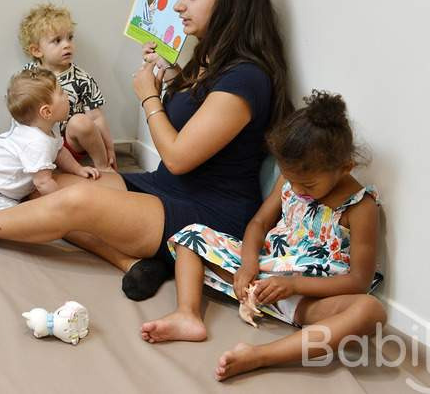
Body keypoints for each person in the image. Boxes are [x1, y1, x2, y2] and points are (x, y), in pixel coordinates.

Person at [0, 0, 291, 302]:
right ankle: (134, 261)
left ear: (230, 2)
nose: (178, 6)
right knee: (45, 186)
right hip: (165, 188)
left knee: (75, 201)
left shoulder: (246, 78)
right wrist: (169, 76)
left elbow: (178, 158)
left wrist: (149, 97)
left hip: (209, 215)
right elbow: (194, 114)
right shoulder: (209, 62)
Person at [143, 91, 384, 381]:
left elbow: (358, 281)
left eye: (307, 185)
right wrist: (248, 265)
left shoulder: (360, 207)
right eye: (290, 180)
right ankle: (187, 314)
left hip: (308, 296)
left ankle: (261, 355)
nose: (297, 190)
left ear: (344, 167)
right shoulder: (292, 179)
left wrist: (293, 285)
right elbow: (259, 222)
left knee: (371, 311)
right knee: (191, 235)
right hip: (263, 273)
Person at [0, 67, 99, 214]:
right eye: (62, 93)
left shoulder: (47, 127)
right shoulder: (36, 142)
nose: (67, 95)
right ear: (46, 112)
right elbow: (42, 182)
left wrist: (78, 169)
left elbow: (59, 151)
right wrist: (64, 202)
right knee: (21, 218)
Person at [20, 3, 116, 174]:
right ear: (37, 50)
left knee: (81, 122)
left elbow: (96, 117)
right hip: (39, 143)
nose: (67, 45)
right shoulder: (29, 75)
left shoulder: (82, 79)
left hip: (69, 144)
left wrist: (109, 148)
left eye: (70, 38)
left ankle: (103, 166)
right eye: (57, 40)